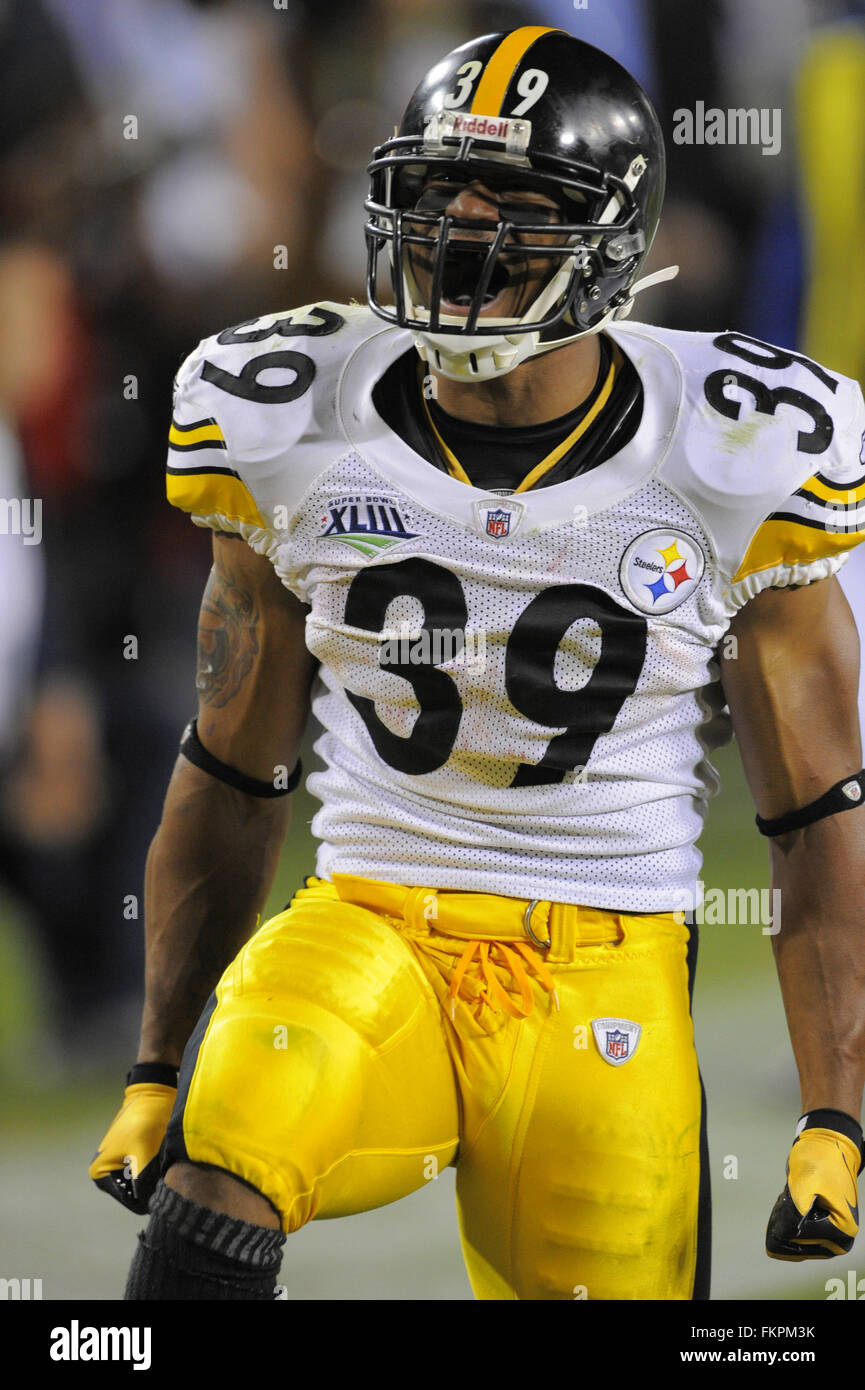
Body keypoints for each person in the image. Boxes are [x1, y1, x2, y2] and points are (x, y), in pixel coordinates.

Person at [90, 25, 865, 1301]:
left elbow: (817, 813)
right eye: (440, 193)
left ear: (613, 238)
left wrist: (834, 1114)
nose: (465, 233)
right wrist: (156, 1064)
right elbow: (231, 770)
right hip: (371, 917)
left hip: (603, 959)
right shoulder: (290, 414)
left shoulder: (733, 449)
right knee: (226, 1146)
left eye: (517, 204)